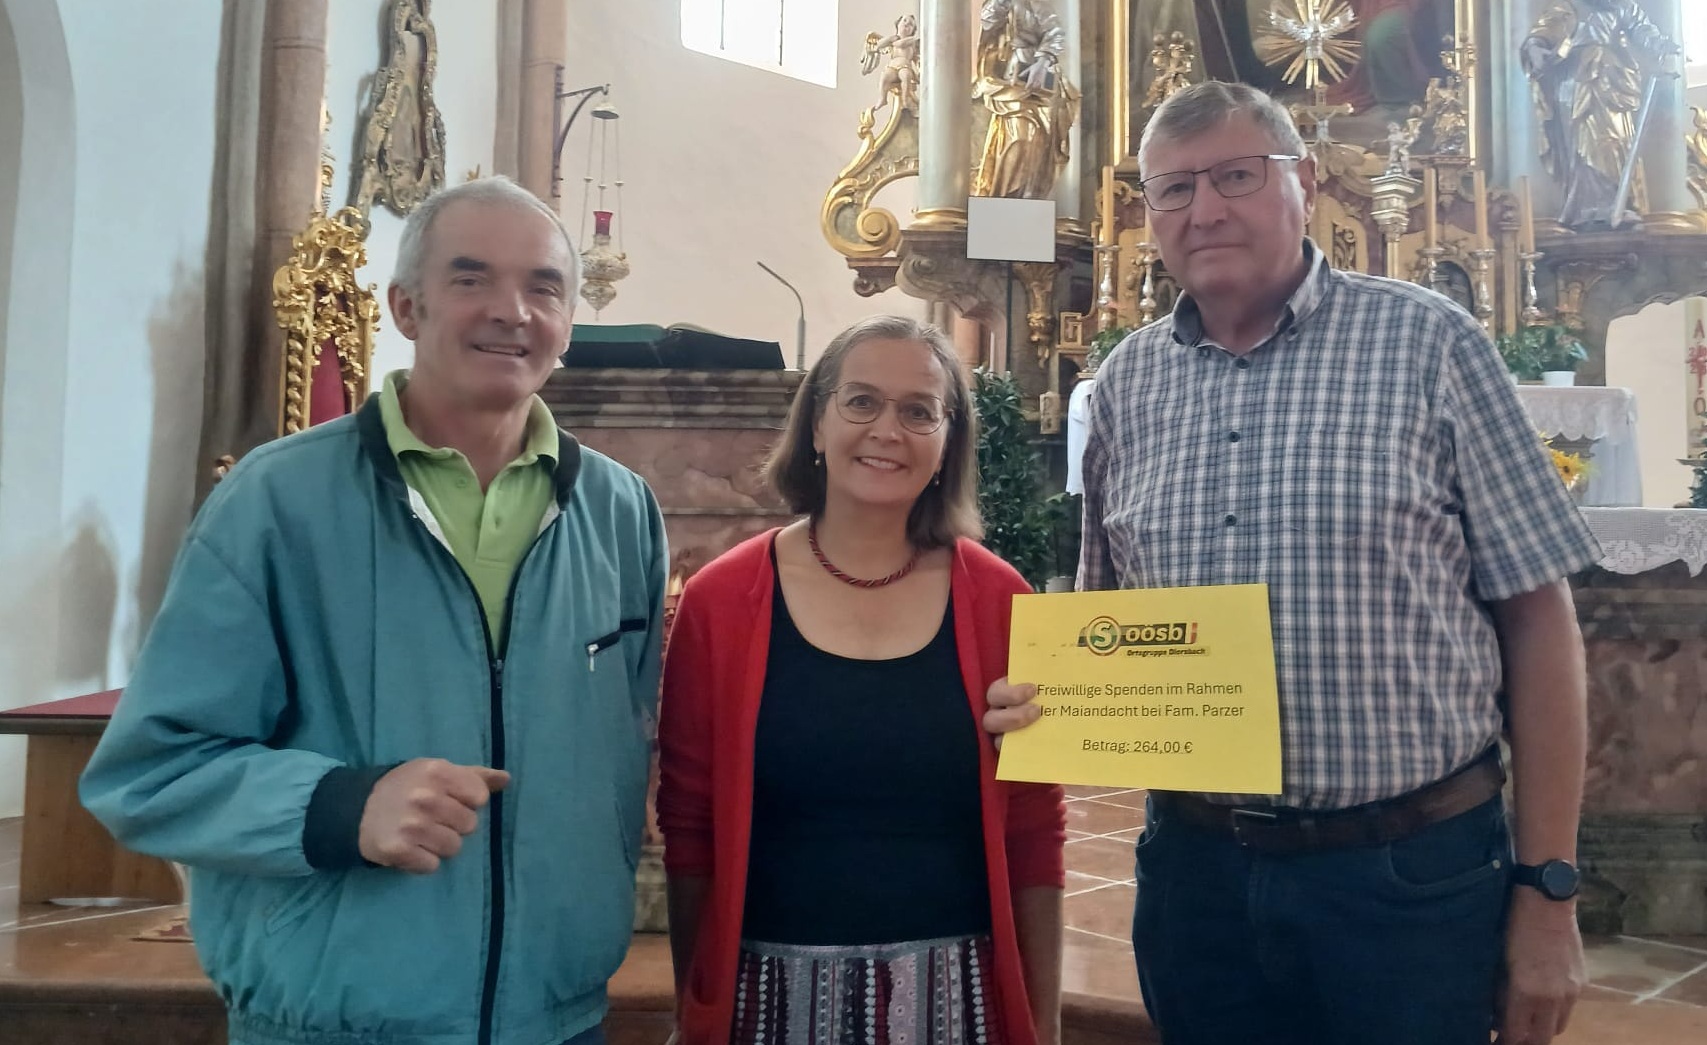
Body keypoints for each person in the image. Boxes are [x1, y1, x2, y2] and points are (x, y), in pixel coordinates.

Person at [987, 81, 1601, 1045]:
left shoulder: (1429, 343)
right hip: (1197, 879)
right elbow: (1113, 625)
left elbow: (1538, 616)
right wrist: (1045, 704)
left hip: (1408, 878)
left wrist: (1547, 884)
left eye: (1235, 176)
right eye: (1173, 188)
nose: (1204, 209)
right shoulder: (1125, 386)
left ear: (1304, 184)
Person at [80, 176, 667, 1045]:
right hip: (339, 1017)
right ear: (405, 307)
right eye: (470, 278)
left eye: (543, 287)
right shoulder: (274, 502)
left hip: (557, 1016)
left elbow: (627, 753)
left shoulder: (619, 510)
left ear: (568, 323)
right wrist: (338, 805)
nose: (511, 311)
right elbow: (149, 773)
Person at [657, 315, 1066, 1045]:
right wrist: (697, 1010)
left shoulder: (1000, 599)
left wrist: (1045, 1022)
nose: (887, 430)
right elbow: (690, 828)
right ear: (817, 422)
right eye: (861, 401)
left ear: (948, 442)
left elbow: (1034, 828)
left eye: (919, 411)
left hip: (955, 998)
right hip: (770, 998)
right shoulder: (720, 600)